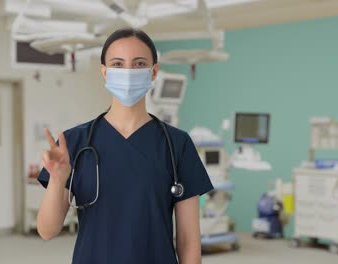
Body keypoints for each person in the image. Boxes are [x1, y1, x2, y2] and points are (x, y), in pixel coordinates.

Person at [36, 28, 214, 264]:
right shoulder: (75, 143)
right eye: (118, 64)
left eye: (139, 63)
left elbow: (188, 242)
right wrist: (58, 180)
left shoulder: (177, 144)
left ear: (153, 72)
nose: (128, 72)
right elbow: (47, 231)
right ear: (105, 72)